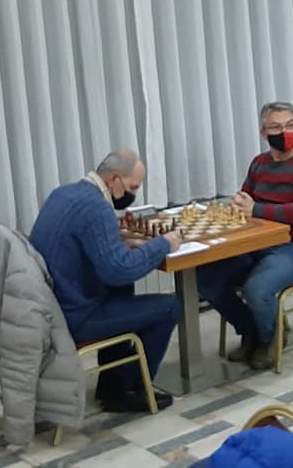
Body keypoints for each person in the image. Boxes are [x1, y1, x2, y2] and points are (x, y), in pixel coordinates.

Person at [29, 149, 182, 412]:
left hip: (51, 307)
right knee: (169, 307)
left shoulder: (64, 193)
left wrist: (121, 242)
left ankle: (113, 386)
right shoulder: (96, 207)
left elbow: (87, 248)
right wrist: (163, 244)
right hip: (73, 317)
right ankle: (131, 390)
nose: (133, 194)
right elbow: (119, 269)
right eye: (133, 187)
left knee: (122, 289)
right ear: (114, 180)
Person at [197, 102, 293, 370]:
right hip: (257, 244)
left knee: (256, 289)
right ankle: (251, 331)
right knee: (205, 278)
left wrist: (255, 209)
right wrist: (239, 204)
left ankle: (269, 339)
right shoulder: (259, 164)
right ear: (263, 132)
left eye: (290, 125)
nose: (285, 132)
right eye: (276, 127)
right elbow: (245, 202)